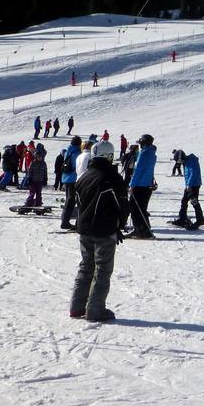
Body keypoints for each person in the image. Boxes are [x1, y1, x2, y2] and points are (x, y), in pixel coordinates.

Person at [68, 139, 129, 322]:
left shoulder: (84, 177)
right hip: (104, 230)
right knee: (102, 269)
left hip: (85, 228)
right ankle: (95, 310)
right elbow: (122, 206)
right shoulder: (111, 178)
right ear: (109, 156)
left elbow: (79, 203)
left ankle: (77, 307)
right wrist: (119, 225)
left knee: (86, 266)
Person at [127, 134, 157, 239]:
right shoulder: (152, 153)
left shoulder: (144, 154)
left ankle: (139, 230)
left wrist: (132, 185)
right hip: (147, 185)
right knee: (142, 209)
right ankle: (145, 230)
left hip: (140, 185)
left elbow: (138, 171)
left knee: (135, 208)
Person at [171, 153, 204, 230]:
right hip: (190, 185)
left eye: (179, 161)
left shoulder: (192, 161)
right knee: (184, 201)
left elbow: (193, 173)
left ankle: (200, 220)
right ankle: (182, 218)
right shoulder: (187, 161)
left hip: (194, 185)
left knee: (194, 202)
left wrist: (189, 185)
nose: (179, 163)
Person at [59, 136, 83, 230]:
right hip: (73, 179)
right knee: (71, 200)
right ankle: (65, 222)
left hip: (66, 178)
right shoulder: (77, 153)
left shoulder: (68, 151)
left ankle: (64, 220)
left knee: (69, 200)